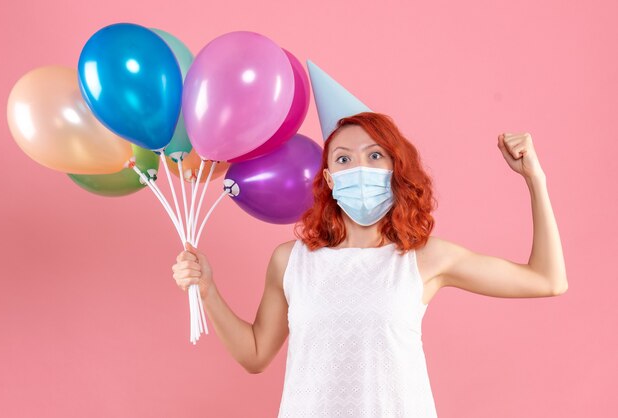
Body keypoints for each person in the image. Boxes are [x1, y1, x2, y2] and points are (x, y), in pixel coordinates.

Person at [171, 62, 568, 417]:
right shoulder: (290, 261)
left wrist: (535, 178)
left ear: (396, 168)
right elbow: (255, 355)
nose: (359, 166)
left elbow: (548, 280)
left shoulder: (425, 259)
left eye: (375, 156)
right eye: (343, 158)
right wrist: (207, 289)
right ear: (328, 179)